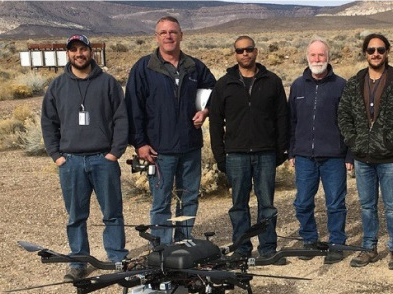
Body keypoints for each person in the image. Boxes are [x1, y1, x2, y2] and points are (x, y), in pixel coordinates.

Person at [41, 34, 129, 282]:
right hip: (71, 162)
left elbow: (121, 119)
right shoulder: (57, 86)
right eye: (74, 50)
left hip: (104, 159)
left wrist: (115, 153)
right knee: (75, 215)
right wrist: (57, 156)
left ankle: (116, 257)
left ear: (91, 52)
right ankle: (79, 261)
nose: (79, 54)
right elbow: (48, 122)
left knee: (112, 212)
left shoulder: (109, 83)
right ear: (68, 54)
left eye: (83, 49)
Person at [125, 16, 216, 244]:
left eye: (173, 32)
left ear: (181, 35)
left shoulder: (194, 67)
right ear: (156, 37)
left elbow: (214, 91)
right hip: (158, 150)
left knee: (189, 198)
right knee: (161, 201)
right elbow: (133, 107)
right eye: (163, 32)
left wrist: (204, 111)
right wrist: (140, 143)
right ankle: (163, 248)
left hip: (190, 146)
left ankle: (184, 241)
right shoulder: (144, 68)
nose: (168, 36)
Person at [338, 33, 393, 270]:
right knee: (366, 205)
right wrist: (355, 141)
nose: (375, 54)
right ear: (365, 53)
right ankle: (368, 248)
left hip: (390, 157)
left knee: (392, 205)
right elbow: (343, 115)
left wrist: (388, 141)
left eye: (380, 50)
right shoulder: (355, 82)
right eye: (371, 50)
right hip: (363, 157)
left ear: (387, 52)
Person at [209, 35, 290, 265]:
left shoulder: (272, 81)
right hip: (236, 155)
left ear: (256, 52)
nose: (245, 54)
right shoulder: (224, 84)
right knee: (238, 206)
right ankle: (242, 249)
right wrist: (220, 156)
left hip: (266, 153)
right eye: (240, 50)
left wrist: (281, 151)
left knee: (267, 204)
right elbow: (215, 122)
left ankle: (268, 248)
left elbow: (282, 117)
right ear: (234, 54)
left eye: (249, 49)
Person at [288, 37, 353, 264]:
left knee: (335, 203)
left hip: (334, 156)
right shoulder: (297, 85)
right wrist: (292, 151)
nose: (317, 59)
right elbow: (292, 121)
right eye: (313, 55)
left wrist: (349, 154)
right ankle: (309, 239)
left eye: (321, 55)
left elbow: (349, 122)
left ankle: (336, 242)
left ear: (329, 58)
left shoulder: (341, 85)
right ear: (307, 57)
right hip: (305, 155)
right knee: (303, 202)